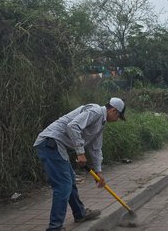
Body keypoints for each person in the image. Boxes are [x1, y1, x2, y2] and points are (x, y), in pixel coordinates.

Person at [33, 97, 126, 231]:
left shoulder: (101, 122)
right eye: (118, 116)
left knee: (70, 181)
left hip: (57, 146)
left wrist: (98, 172)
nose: (117, 120)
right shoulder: (95, 111)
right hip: (50, 143)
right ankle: (55, 227)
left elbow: (96, 148)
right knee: (63, 185)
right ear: (113, 111)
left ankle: (80, 214)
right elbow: (73, 126)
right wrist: (80, 152)